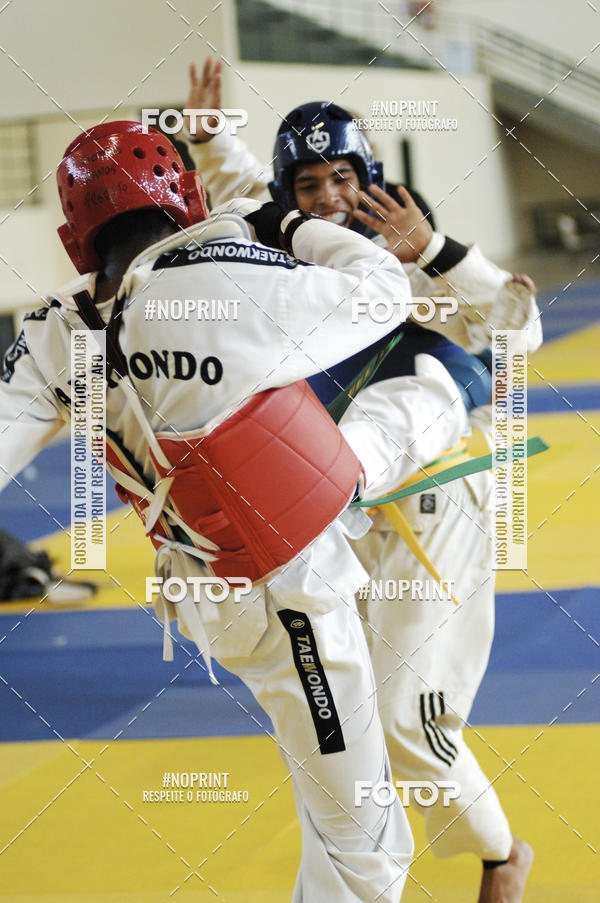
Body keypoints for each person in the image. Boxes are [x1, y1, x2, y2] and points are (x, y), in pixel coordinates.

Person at [0, 120, 478, 902]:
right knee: (368, 849)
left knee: (361, 449)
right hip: (292, 600)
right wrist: (288, 224)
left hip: (207, 592)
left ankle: (419, 417)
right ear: (186, 197)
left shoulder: (54, 328)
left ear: (71, 233)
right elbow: (387, 290)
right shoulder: (230, 274)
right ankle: (439, 401)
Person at [181, 60, 542, 901]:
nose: (331, 196)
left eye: (345, 175)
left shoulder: (416, 258)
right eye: (310, 183)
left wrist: (441, 253)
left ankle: (500, 858)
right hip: (333, 515)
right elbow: (241, 189)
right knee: (358, 721)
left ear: (370, 177)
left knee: (411, 719)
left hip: (436, 502)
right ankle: (472, 855)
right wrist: (210, 136)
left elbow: (517, 337)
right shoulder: (276, 244)